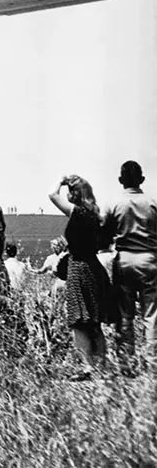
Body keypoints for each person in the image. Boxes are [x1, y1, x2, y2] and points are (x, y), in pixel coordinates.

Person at [48, 174, 113, 380]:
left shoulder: (78, 212)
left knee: (78, 321)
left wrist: (62, 180)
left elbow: (51, 194)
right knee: (95, 321)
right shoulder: (95, 215)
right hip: (93, 267)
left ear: (75, 194)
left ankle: (88, 367)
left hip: (78, 267)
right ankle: (101, 367)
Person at [102, 160, 157, 368]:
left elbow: (105, 235)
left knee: (125, 313)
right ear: (142, 179)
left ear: (120, 180)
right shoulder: (153, 202)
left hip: (124, 259)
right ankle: (152, 362)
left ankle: (126, 361)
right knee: (151, 314)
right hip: (149, 259)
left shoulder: (113, 203)